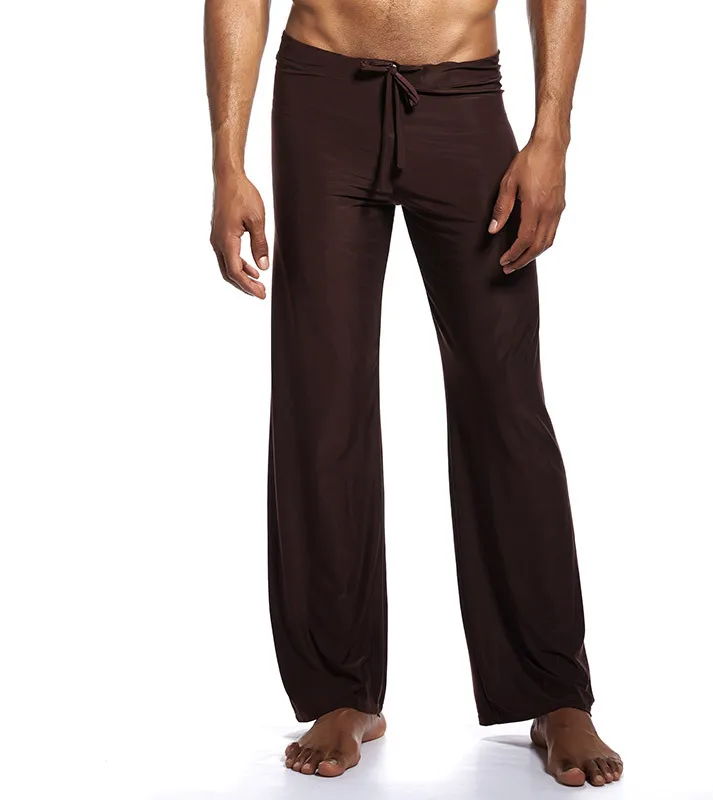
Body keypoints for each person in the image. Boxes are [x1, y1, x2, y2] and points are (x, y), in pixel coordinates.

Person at [204, 0, 622, 787]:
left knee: (504, 404)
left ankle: (553, 689)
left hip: (464, 97)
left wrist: (552, 135)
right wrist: (228, 162)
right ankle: (340, 689)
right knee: (320, 401)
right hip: (320, 95)